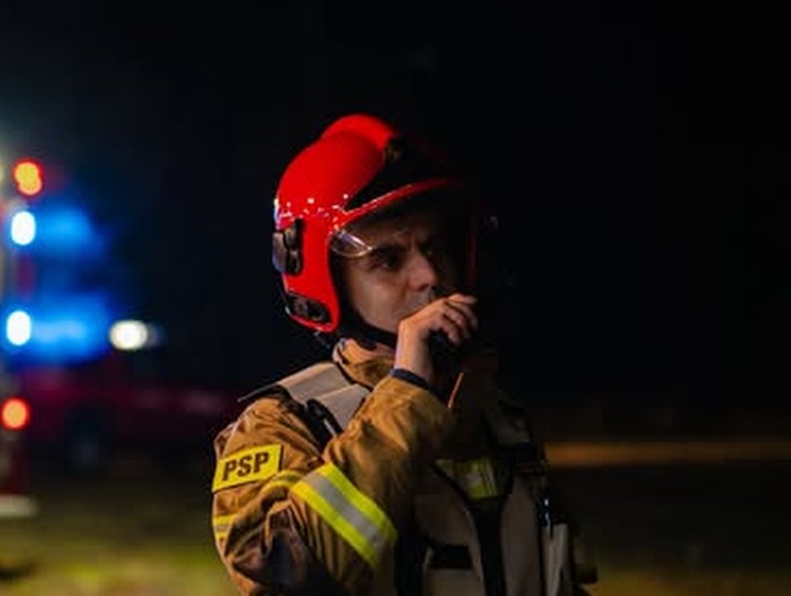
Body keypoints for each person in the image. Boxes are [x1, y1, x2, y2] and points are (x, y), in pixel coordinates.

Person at [210, 113, 596, 595]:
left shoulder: (498, 416)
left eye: (436, 248)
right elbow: (282, 577)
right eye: (388, 260)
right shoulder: (283, 424)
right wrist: (408, 396)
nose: (429, 276)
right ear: (327, 284)